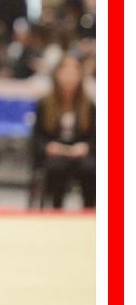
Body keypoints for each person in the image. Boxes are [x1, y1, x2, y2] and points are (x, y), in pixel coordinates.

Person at [30, 54, 96, 208]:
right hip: (55, 156)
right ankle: (56, 208)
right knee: (57, 168)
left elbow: (95, 137)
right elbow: (37, 137)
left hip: (80, 156)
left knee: (90, 168)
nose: (69, 78)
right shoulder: (45, 104)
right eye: (65, 72)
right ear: (57, 75)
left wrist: (86, 147)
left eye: (73, 73)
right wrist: (48, 147)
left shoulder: (88, 105)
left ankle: (89, 209)